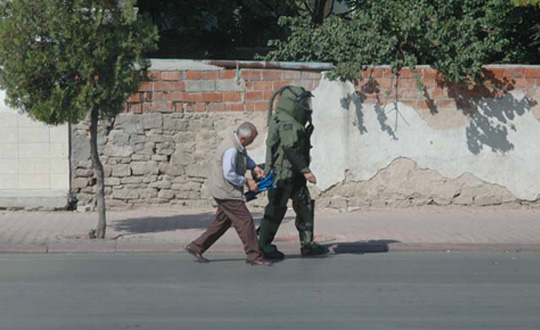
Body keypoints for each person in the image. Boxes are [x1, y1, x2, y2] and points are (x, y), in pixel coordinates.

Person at [185, 122, 272, 266]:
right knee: (246, 221)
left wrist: (254, 167)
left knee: (222, 222)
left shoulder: (236, 143)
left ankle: (196, 246)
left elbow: (245, 156)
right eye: (251, 141)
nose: (251, 143)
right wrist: (247, 181)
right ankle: (254, 256)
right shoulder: (231, 150)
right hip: (226, 192)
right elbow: (229, 174)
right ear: (243, 139)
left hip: (222, 189)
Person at [258, 86, 329, 260]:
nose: (306, 106)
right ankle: (262, 246)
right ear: (292, 103)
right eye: (303, 103)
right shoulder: (286, 122)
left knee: (304, 205)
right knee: (275, 210)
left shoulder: (290, 120)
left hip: (293, 173)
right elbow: (290, 149)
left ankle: (307, 244)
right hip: (283, 175)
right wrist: (306, 171)